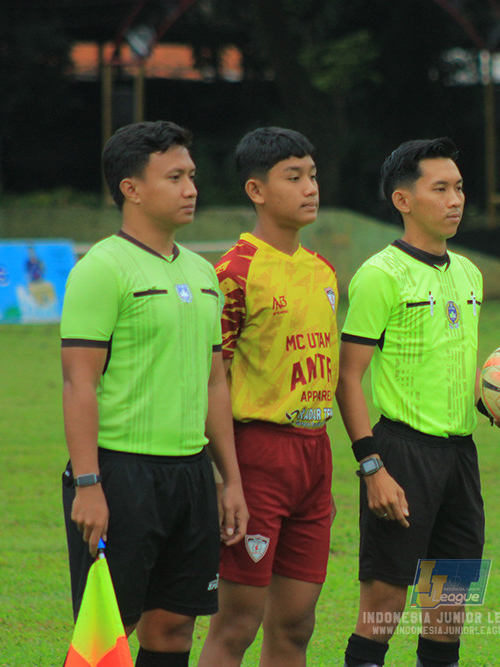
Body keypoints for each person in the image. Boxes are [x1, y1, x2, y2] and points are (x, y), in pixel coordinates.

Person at [60, 120, 248, 667]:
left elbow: (216, 381)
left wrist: (228, 479)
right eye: (174, 177)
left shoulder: (202, 273)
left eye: (191, 176)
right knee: (109, 631)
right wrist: (89, 483)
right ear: (131, 188)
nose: (191, 188)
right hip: (121, 473)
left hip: (189, 474)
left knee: (172, 632)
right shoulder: (101, 268)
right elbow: (79, 382)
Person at [338, 137, 484, 667]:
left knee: (449, 608)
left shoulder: (470, 273)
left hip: (460, 457)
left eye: (460, 187)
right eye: (440, 188)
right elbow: (347, 378)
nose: (455, 199)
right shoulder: (380, 274)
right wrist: (371, 464)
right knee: (384, 603)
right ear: (403, 200)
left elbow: (464, 367)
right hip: (401, 453)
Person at [197, 127, 337, 666]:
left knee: (297, 624)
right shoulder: (233, 273)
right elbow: (213, 381)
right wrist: (227, 475)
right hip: (257, 456)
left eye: (313, 175)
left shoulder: (322, 270)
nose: (310, 187)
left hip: (314, 454)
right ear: (256, 190)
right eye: (293, 177)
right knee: (236, 625)